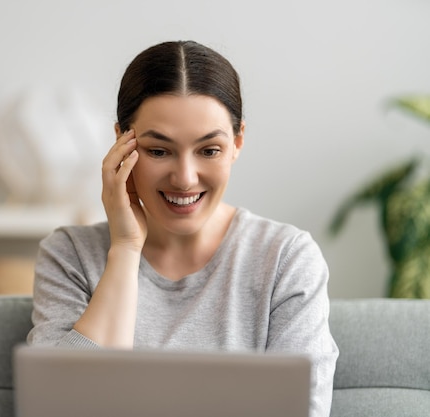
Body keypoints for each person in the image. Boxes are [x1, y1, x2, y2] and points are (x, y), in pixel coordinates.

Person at [27, 40, 339, 417]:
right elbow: (60, 407)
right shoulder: (69, 255)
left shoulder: (285, 257)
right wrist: (125, 249)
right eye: (159, 151)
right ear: (122, 143)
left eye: (209, 150)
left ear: (237, 142)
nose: (185, 178)